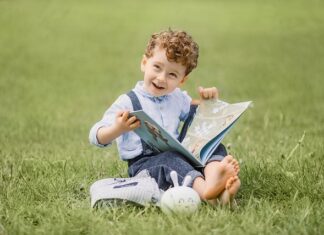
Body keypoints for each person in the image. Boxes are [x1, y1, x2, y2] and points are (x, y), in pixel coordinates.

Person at [89, 29, 241, 205]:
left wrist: (209, 102)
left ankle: (217, 182)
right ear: (144, 63)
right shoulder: (128, 102)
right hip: (146, 165)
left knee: (211, 145)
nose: (162, 78)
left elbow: (197, 118)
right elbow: (95, 136)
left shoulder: (177, 97)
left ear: (182, 80)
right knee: (171, 160)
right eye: (157, 67)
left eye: (172, 75)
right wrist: (118, 129)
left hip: (181, 156)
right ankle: (208, 192)